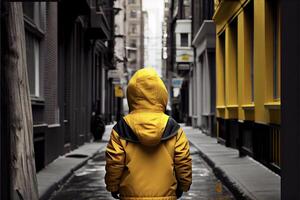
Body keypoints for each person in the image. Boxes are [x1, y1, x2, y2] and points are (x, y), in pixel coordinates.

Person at [105, 68, 192, 200]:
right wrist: (183, 186)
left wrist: (113, 186)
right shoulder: (173, 127)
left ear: (131, 94)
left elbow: (114, 162)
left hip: (130, 195)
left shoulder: (121, 128)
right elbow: (183, 160)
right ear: (161, 94)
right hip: (166, 195)